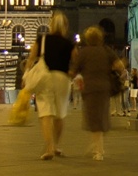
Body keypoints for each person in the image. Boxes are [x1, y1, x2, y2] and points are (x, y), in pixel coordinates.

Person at [69, 25, 126, 160]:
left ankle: (98, 150)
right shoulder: (106, 51)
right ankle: (97, 145)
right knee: (101, 116)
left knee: (93, 119)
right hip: (104, 88)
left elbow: (73, 71)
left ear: (87, 39)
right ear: (100, 38)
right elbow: (120, 66)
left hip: (89, 89)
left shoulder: (84, 52)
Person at [29, 10, 75, 160]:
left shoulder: (42, 40)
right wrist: (73, 72)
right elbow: (76, 62)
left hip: (45, 77)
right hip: (62, 78)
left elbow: (31, 58)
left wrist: (27, 74)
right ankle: (56, 145)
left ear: (51, 24)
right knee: (59, 114)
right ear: (65, 27)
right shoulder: (69, 44)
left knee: (46, 113)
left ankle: (49, 148)